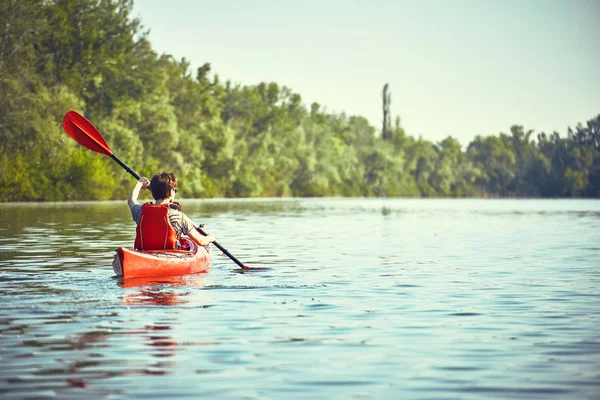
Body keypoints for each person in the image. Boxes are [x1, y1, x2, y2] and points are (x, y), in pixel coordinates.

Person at [128, 171, 215, 250]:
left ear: (153, 193)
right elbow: (200, 241)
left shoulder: (141, 213)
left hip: (145, 254)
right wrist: (209, 238)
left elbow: (131, 200)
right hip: (170, 256)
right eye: (174, 190)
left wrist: (140, 183)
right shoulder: (178, 216)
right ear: (170, 192)